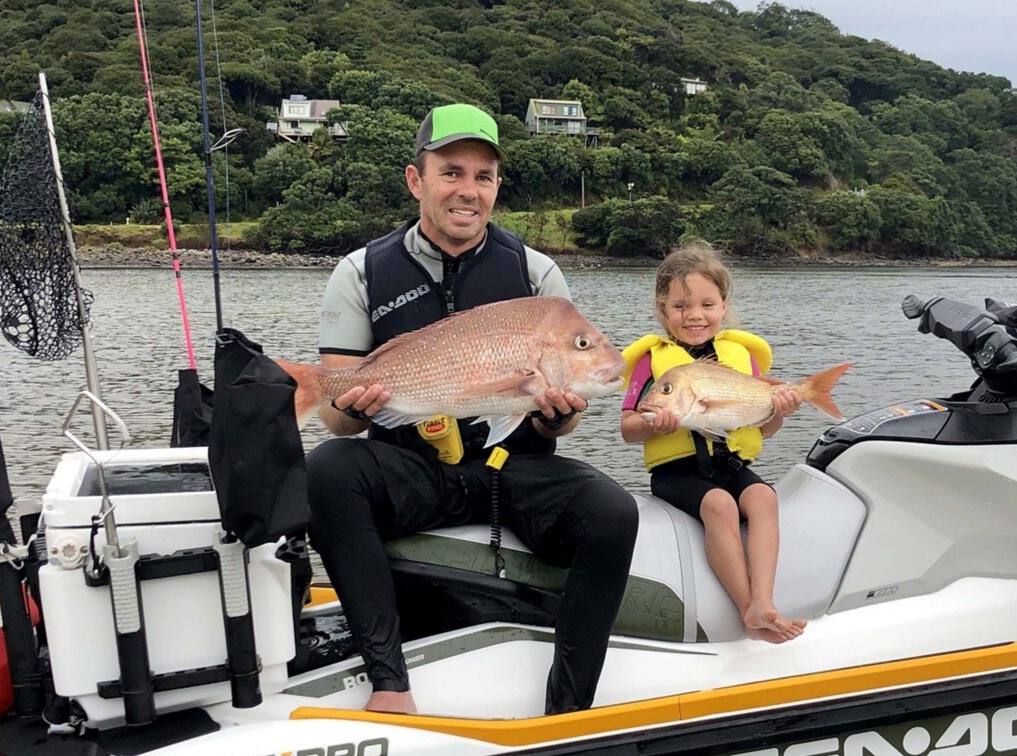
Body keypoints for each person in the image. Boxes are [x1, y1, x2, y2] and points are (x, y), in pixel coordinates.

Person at [306, 103, 638, 715]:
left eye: (482, 177)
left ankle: (568, 709)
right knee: (328, 468)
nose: (468, 190)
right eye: (451, 172)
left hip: (510, 464)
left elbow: (563, 421)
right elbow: (337, 419)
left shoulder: (537, 274)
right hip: (411, 464)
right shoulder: (360, 272)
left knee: (613, 513)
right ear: (416, 180)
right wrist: (351, 404)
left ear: (496, 188)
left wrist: (558, 413)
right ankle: (390, 684)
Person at [619, 243, 806, 643]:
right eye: (681, 306)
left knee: (763, 499)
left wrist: (781, 411)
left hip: (729, 464)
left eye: (707, 304)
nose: (694, 316)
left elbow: (764, 430)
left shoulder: (739, 358)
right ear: (663, 310)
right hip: (676, 474)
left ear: (723, 305)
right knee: (720, 504)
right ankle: (748, 609)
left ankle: (764, 598)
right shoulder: (651, 363)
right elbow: (628, 428)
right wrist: (656, 425)